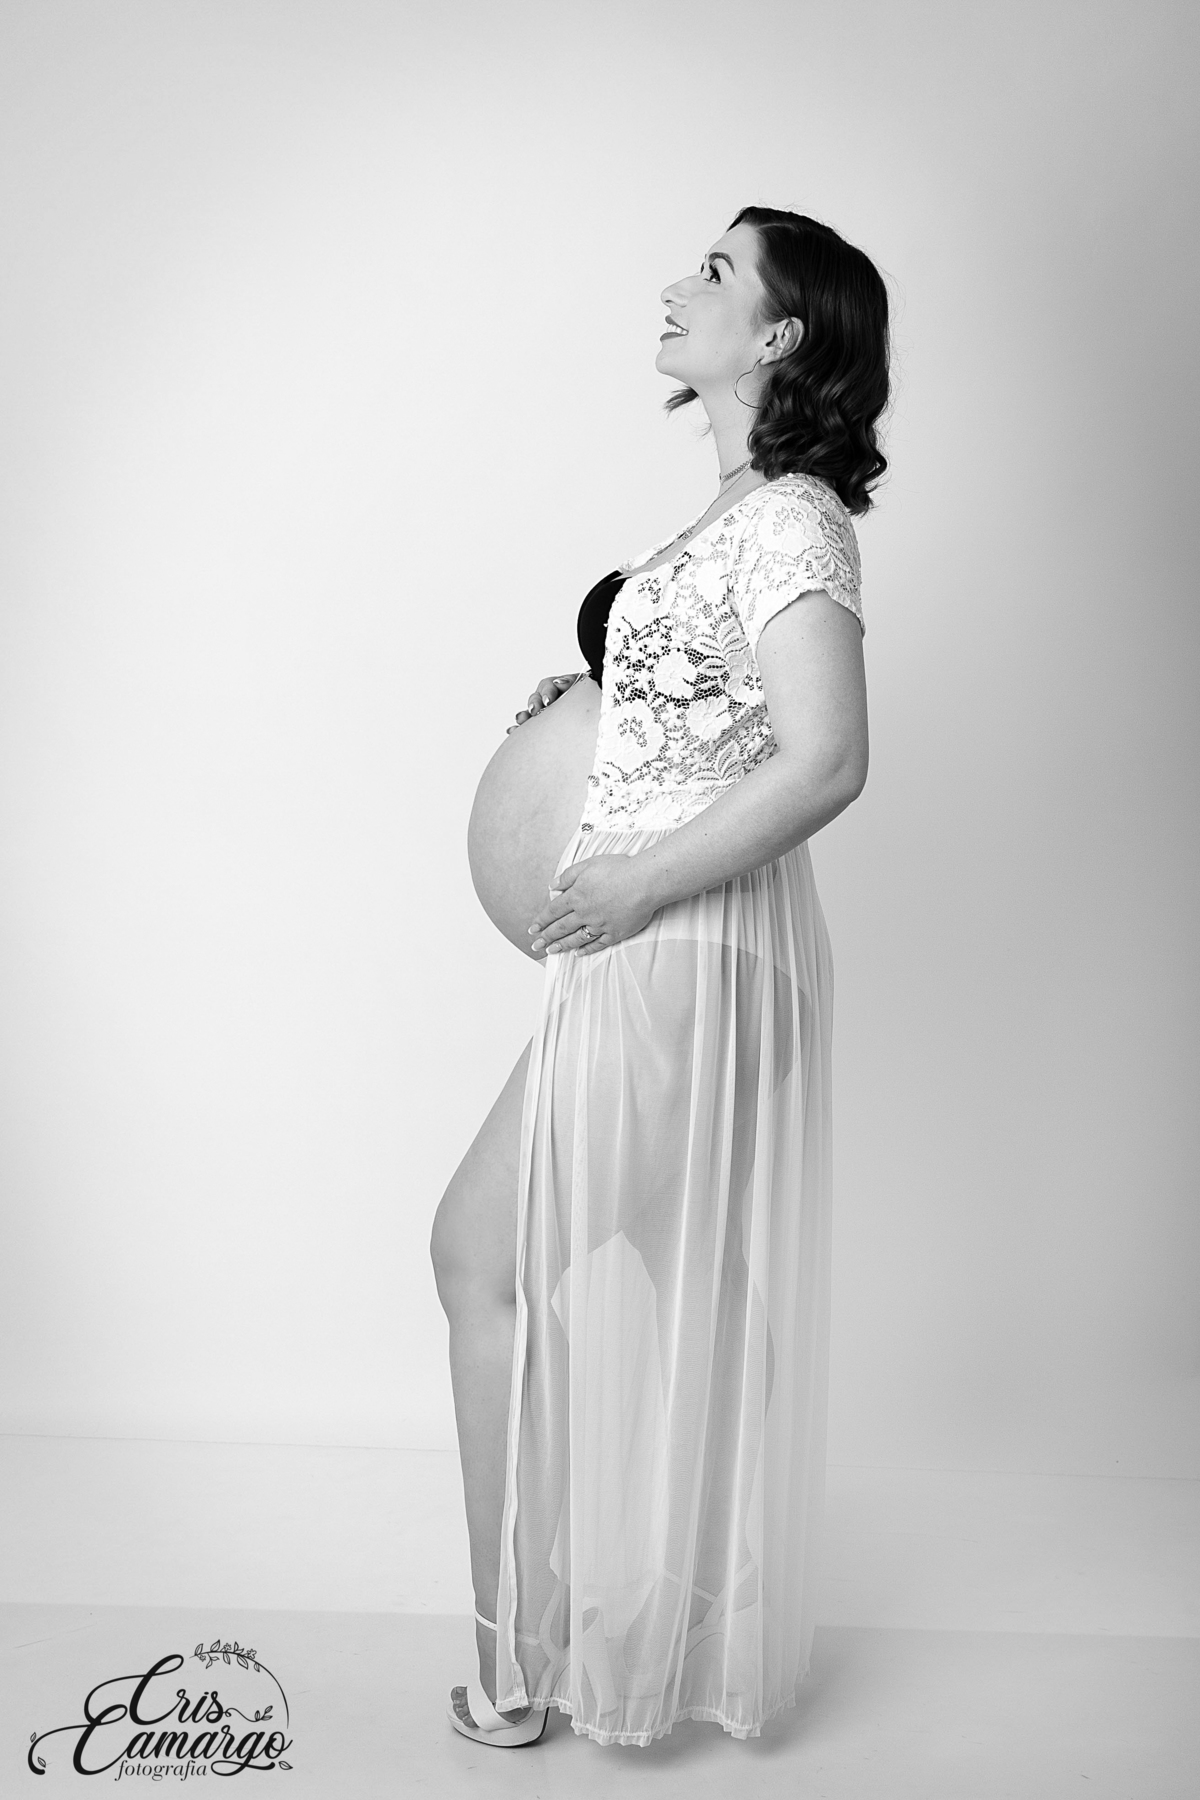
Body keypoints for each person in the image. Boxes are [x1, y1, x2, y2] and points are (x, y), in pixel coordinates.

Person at [430, 204, 889, 1748]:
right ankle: (692, 1633)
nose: (678, 285)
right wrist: (599, 708)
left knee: (480, 1259)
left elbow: (828, 758)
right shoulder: (731, 517)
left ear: (779, 335)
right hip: (671, 957)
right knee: (693, 1292)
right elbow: (724, 721)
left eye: (717, 271)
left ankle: (516, 1660)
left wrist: (632, 876)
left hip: (682, 948)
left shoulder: (795, 519)